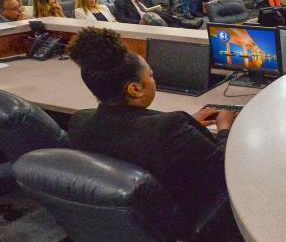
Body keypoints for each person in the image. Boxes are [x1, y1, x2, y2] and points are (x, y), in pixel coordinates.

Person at [66, 27, 240, 224]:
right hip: (185, 215)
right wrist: (224, 128)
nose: (153, 79)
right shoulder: (169, 129)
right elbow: (223, 169)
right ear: (135, 89)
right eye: (150, 75)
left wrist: (189, 125)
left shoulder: (80, 121)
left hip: (134, 221)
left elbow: (138, 130)